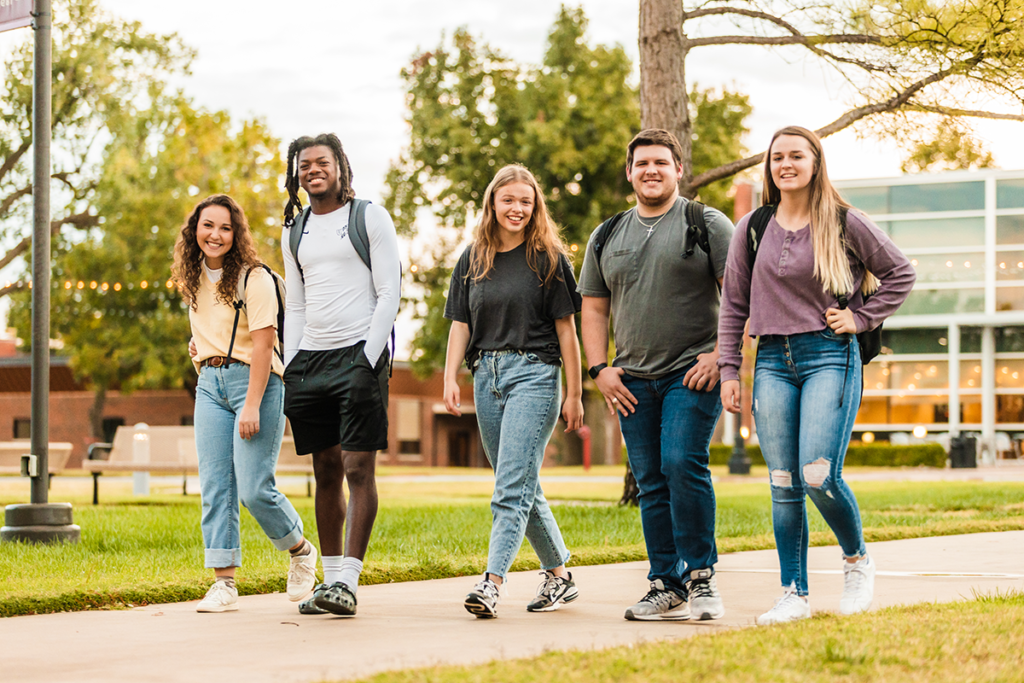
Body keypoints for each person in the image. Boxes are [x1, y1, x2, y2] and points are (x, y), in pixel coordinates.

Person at [717, 126, 916, 625]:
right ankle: (793, 594)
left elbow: (901, 273)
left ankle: (856, 560)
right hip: (770, 362)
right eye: (777, 156)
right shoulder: (752, 227)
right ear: (770, 167)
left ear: (815, 162)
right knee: (783, 481)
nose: (786, 164)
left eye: (796, 156)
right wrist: (728, 369)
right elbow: (733, 306)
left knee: (817, 474)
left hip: (829, 354)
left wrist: (861, 317)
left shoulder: (845, 222)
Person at [578, 129, 734, 621]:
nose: (651, 171)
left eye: (661, 163)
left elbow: (738, 296)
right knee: (650, 479)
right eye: (642, 163)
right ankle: (665, 583)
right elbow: (594, 308)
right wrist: (599, 369)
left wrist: (720, 354)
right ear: (629, 172)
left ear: (678, 169)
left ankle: (701, 577)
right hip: (632, 381)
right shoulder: (607, 234)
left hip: (693, 372)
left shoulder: (705, 222)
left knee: (680, 463)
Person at [443, 164, 584, 619]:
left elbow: (568, 332)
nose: (517, 208)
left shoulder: (547, 259)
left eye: (526, 201)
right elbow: (460, 324)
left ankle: (491, 583)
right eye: (508, 200)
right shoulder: (473, 258)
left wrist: (575, 394)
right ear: (492, 204)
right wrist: (450, 378)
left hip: (536, 375)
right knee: (522, 483)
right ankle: (560, 576)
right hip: (486, 376)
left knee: (508, 487)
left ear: (535, 206)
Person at [173, 194, 318, 614]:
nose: (215, 235)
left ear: (236, 234)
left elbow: (264, 342)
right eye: (207, 226)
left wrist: (252, 403)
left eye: (224, 227)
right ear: (194, 230)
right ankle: (223, 582)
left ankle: (300, 549)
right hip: (209, 386)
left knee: (255, 487)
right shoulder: (191, 276)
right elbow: (205, 329)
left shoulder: (254, 279)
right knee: (217, 485)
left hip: (257, 384)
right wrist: (201, 350)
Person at [281, 133, 401, 617]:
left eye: (322, 162)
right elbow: (297, 301)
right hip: (310, 360)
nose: (313, 169)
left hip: (359, 355)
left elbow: (389, 291)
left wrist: (367, 358)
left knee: (357, 468)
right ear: (296, 174)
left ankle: (348, 581)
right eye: (304, 164)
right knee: (325, 470)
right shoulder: (295, 230)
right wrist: (291, 363)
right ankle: (328, 584)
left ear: (339, 166)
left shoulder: (369, 216)